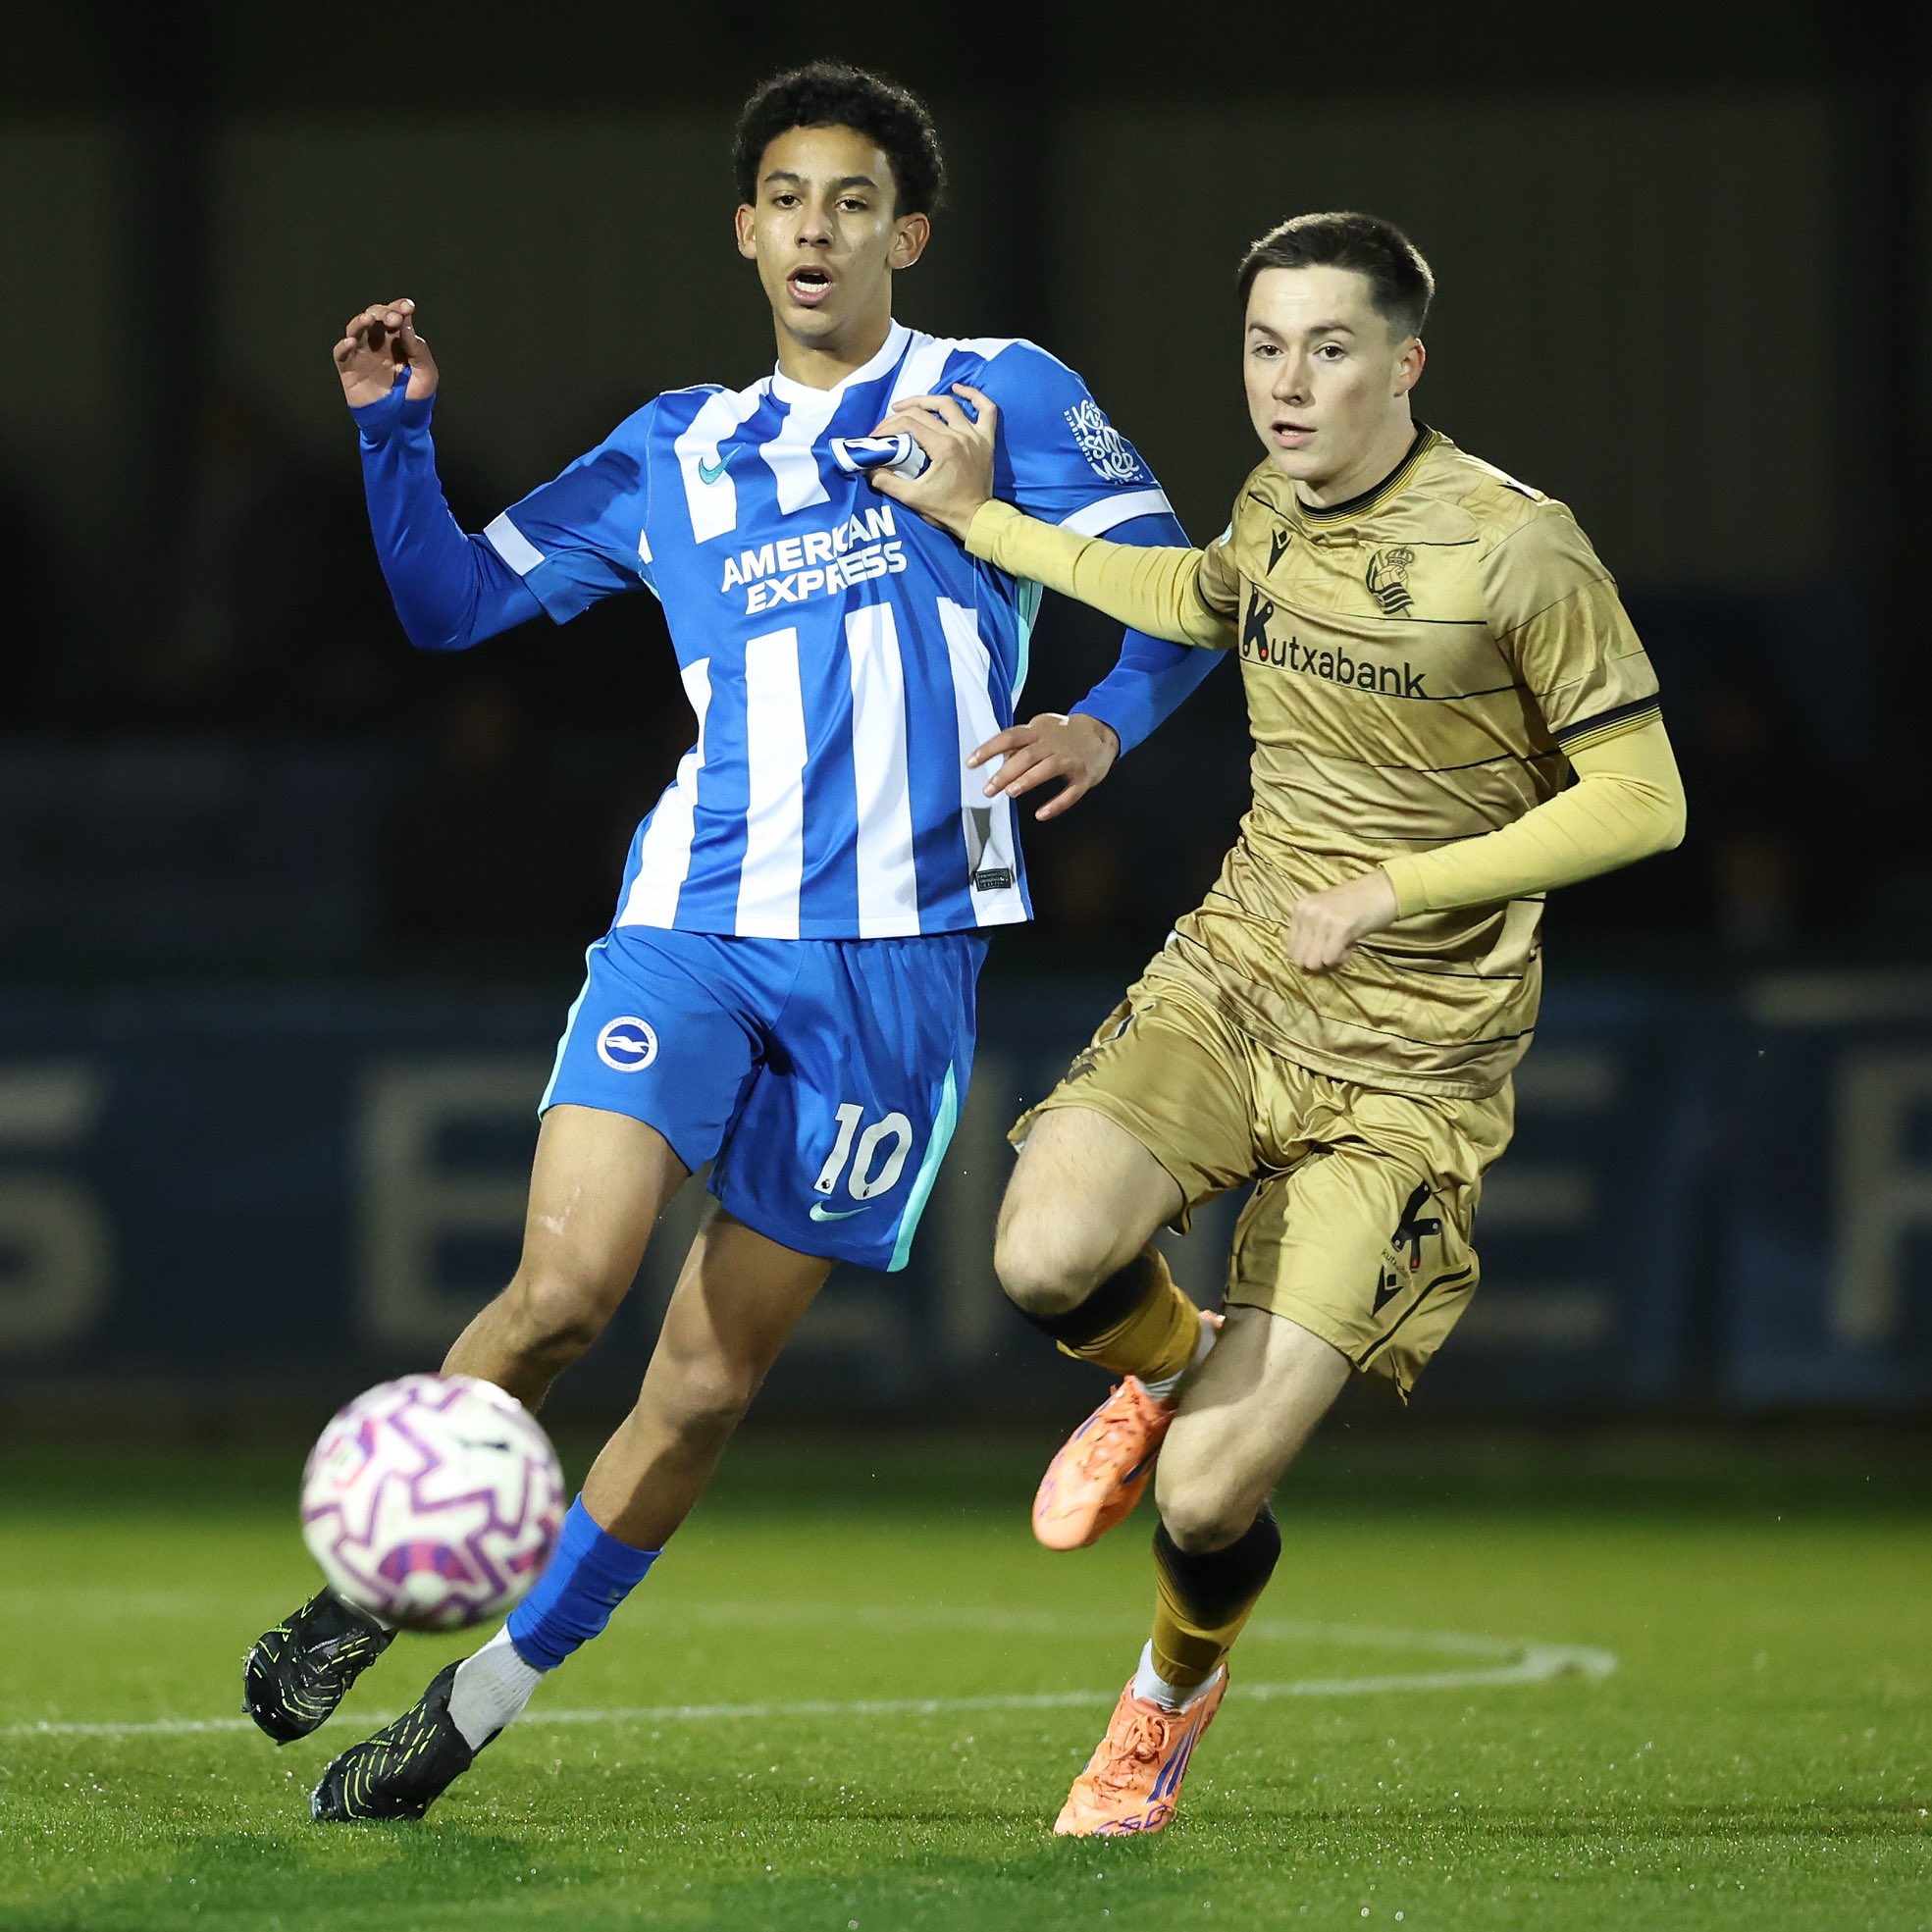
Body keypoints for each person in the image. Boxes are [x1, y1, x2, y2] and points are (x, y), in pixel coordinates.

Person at [241, 61, 1220, 1823]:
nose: (817, 229)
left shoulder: (1002, 394)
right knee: (562, 1292)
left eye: (853, 200)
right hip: (692, 920)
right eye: (786, 198)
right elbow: (457, 603)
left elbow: (1186, 594)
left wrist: (1102, 726)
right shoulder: (671, 447)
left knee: (698, 1385)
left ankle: (477, 1698)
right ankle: (367, 1589)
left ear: (905, 233)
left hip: (901, 963)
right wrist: (397, 430)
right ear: (746, 233)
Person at [874, 209, 1687, 1837]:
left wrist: (1403, 887)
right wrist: (993, 525)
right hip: (1237, 976)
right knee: (1041, 1257)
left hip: (1409, 1062)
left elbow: (1646, 800)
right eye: (1262, 347)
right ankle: (1164, 1364)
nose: (1286, 383)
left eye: (1326, 347)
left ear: (1404, 362)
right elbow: (1194, 592)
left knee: (1206, 1497)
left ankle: (1164, 1699)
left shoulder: (1518, 547)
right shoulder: (1270, 502)